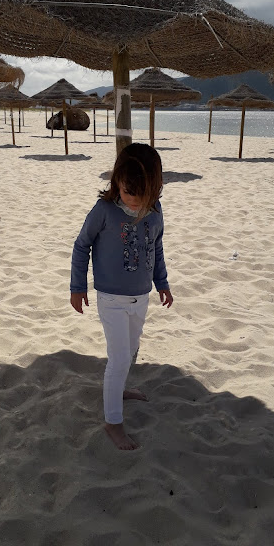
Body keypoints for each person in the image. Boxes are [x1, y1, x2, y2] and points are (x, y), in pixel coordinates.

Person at [70, 143, 173, 450]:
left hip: (141, 297)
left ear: (156, 188)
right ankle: (113, 422)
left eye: (143, 195)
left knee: (131, 350)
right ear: (117, 181)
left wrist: (162, 282)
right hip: (111, 299)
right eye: (129, 192)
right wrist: (77, 286)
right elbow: (81, 245)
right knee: (117, 358)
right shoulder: (103, 211)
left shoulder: (155, 212)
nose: (135, 201)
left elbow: (157, 247)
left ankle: (119, 390)